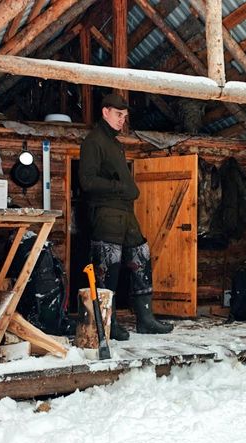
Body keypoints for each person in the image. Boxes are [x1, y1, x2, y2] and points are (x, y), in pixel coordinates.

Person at [79, 93, 174, 341]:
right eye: (119, 115)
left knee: (141, 256)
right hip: (106, 212)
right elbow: (86, 181)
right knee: (107, 267)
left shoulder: (115, 143)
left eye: (125, 116)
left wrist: (126, 189)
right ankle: (108, 324)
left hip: (126, 213)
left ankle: (145, 319)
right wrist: (120, 187)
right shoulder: (94, 141)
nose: (123, 120)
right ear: (105, 112)